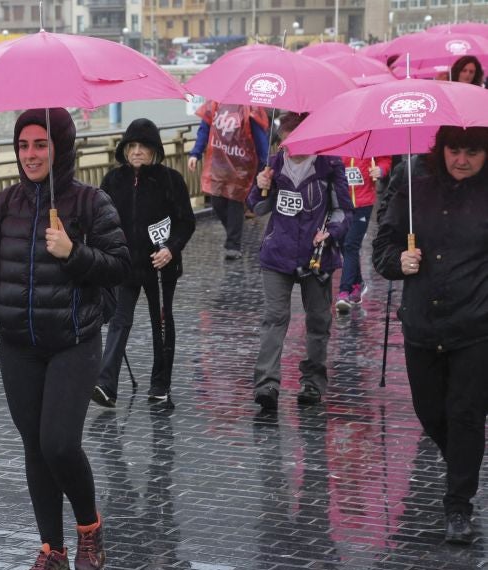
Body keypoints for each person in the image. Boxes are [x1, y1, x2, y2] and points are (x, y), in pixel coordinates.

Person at [0, 108, 129, 570]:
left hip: (73, 342)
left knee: (58, 444)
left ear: (60, 148)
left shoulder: (89, 203)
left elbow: (120, 266)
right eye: (23, 145)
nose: (30, 155)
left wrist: (74, 253)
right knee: (34, 449)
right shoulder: (5, 204)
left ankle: (89, 528)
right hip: (18, 345)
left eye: (41, 144)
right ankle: (52, 552)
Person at [372, 125, 488, 545]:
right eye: (455, 151)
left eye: (473, 153)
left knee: (466, 414)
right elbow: (382, 247)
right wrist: (396, 260)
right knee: (431, 412)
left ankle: (459, 506)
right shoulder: (410, 181)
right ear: (440, 150)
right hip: (421, 323)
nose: (462, 160)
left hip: (476, 326)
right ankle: (463, 456)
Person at [246, 111, 352, 411]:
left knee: (318, 321)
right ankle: (266, 384)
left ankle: (313, 383)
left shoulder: (329, 165)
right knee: (275, 318)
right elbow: (257, 207)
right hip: (276, 254)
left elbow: (345, 211)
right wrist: (260, 184)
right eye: (285, 139)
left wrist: (330, 232)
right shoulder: (274, 164)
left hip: (317, 257)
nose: (291, 145)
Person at [92, 118, 196, 408]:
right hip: (125, 266)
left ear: (154, 151)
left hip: (160, 267)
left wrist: (171, 250)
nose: (137, 151)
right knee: (118, 321)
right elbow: (101, 221)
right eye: (132, 146)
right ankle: (105, 385)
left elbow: (186, 222)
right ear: (125, 150)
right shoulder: (113, 181)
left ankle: (160, 385)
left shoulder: (171, 180)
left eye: (143, 146)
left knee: (160, 324)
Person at [187, 100, 269, 260]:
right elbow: (204, 129)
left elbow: (260, 136)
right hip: (218, 163)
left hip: (241, 164)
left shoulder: (250, 107)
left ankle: (233, 244)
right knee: (217, 202)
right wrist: (195, 153)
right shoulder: (214, 104)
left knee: (234, 201)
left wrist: (265, 162)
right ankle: (235, 232)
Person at [334, 155, 391, 313]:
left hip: (363, 203)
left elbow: (384, 159)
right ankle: (358, 283)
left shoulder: (370, 137)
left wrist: (380, 170)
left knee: (350, 245)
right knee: (342, 244)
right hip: (341, 203)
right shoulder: (341, 139)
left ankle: (344, 292)